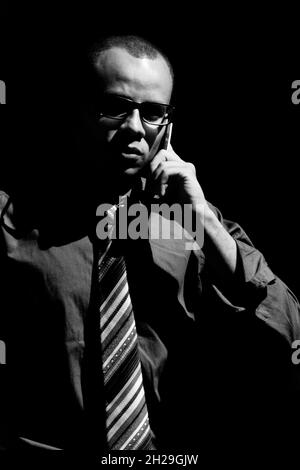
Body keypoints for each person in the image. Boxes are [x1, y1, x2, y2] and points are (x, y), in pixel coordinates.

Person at [0, 34, 299, 460]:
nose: (135, 128)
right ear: (77, 110)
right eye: (116, 107)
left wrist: (205, 224)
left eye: (154, 113)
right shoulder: (12, 221)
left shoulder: (194, 226)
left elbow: (289, 332)